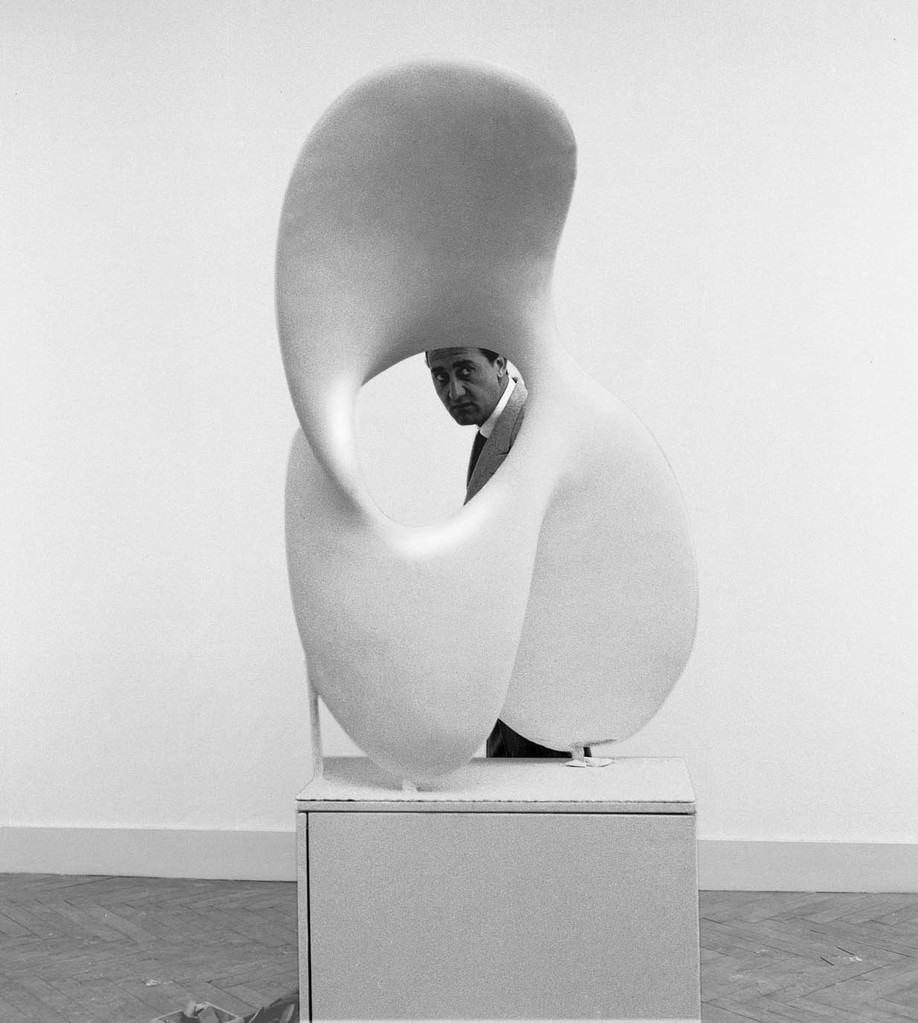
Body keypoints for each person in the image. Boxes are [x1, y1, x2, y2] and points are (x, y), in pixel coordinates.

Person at [426, 346, 589, 759]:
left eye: (465, 370)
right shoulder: (494, 430)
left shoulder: (533, 426)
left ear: (500, 363)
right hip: (508, 658)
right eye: (440, 377)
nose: (453, 390)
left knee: (541, 785)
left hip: (538, 662)